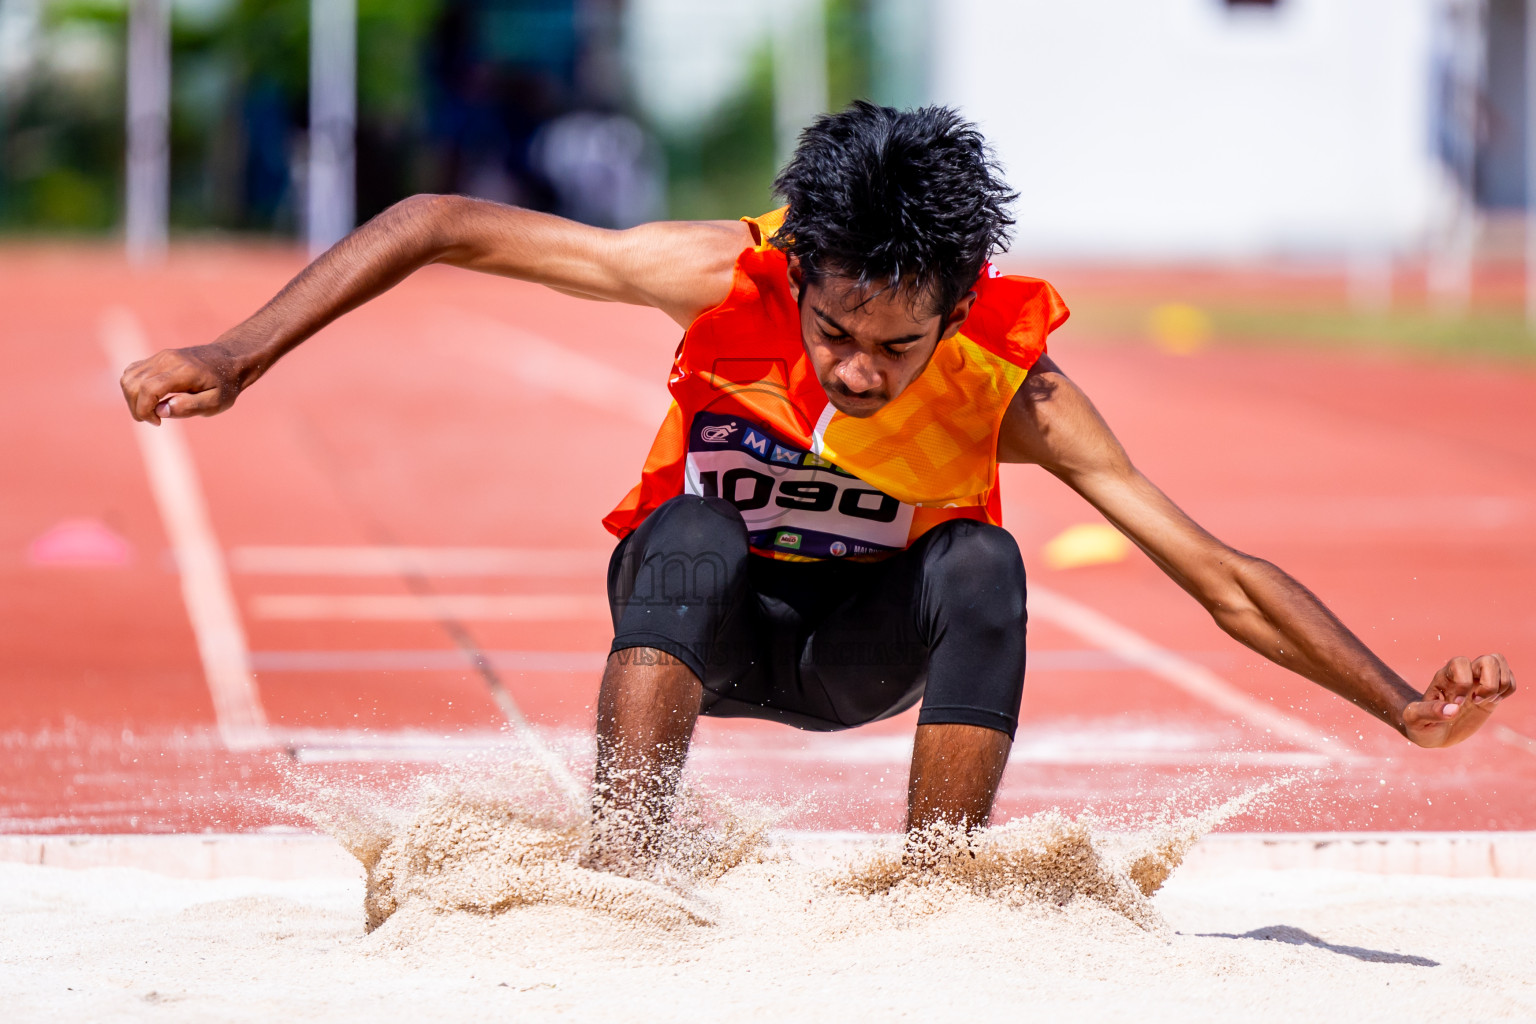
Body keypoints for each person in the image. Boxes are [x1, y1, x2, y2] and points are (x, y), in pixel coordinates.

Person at [118, 103, 1515, 868]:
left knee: (986, 566)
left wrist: (1398, 705)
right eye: (832, 329)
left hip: (861, 654)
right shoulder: (718, 275)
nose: (852, 369)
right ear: (797, 274)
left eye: (894, 346)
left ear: (957, 314)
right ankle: (620, 873)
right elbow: (437, 224)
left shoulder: (1009, 389)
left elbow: (1213, 570)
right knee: (689, 535)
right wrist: (239, 354)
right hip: (698, 627)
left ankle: (941, 893)